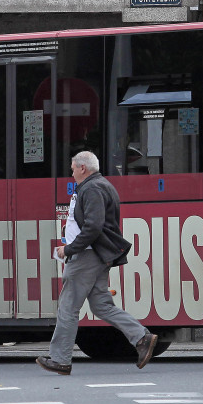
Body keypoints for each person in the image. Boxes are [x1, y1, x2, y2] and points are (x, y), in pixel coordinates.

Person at [37, 151, 158, 375]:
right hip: (94, 255)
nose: (71, 172)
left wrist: (70, 249)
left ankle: (60, 359)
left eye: (73, 168)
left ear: (83, 168)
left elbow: (93, 227)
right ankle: (141, 338)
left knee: (68, 307)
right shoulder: (99, 185)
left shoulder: (92, 188)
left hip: (85, 257)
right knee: (101, 305)